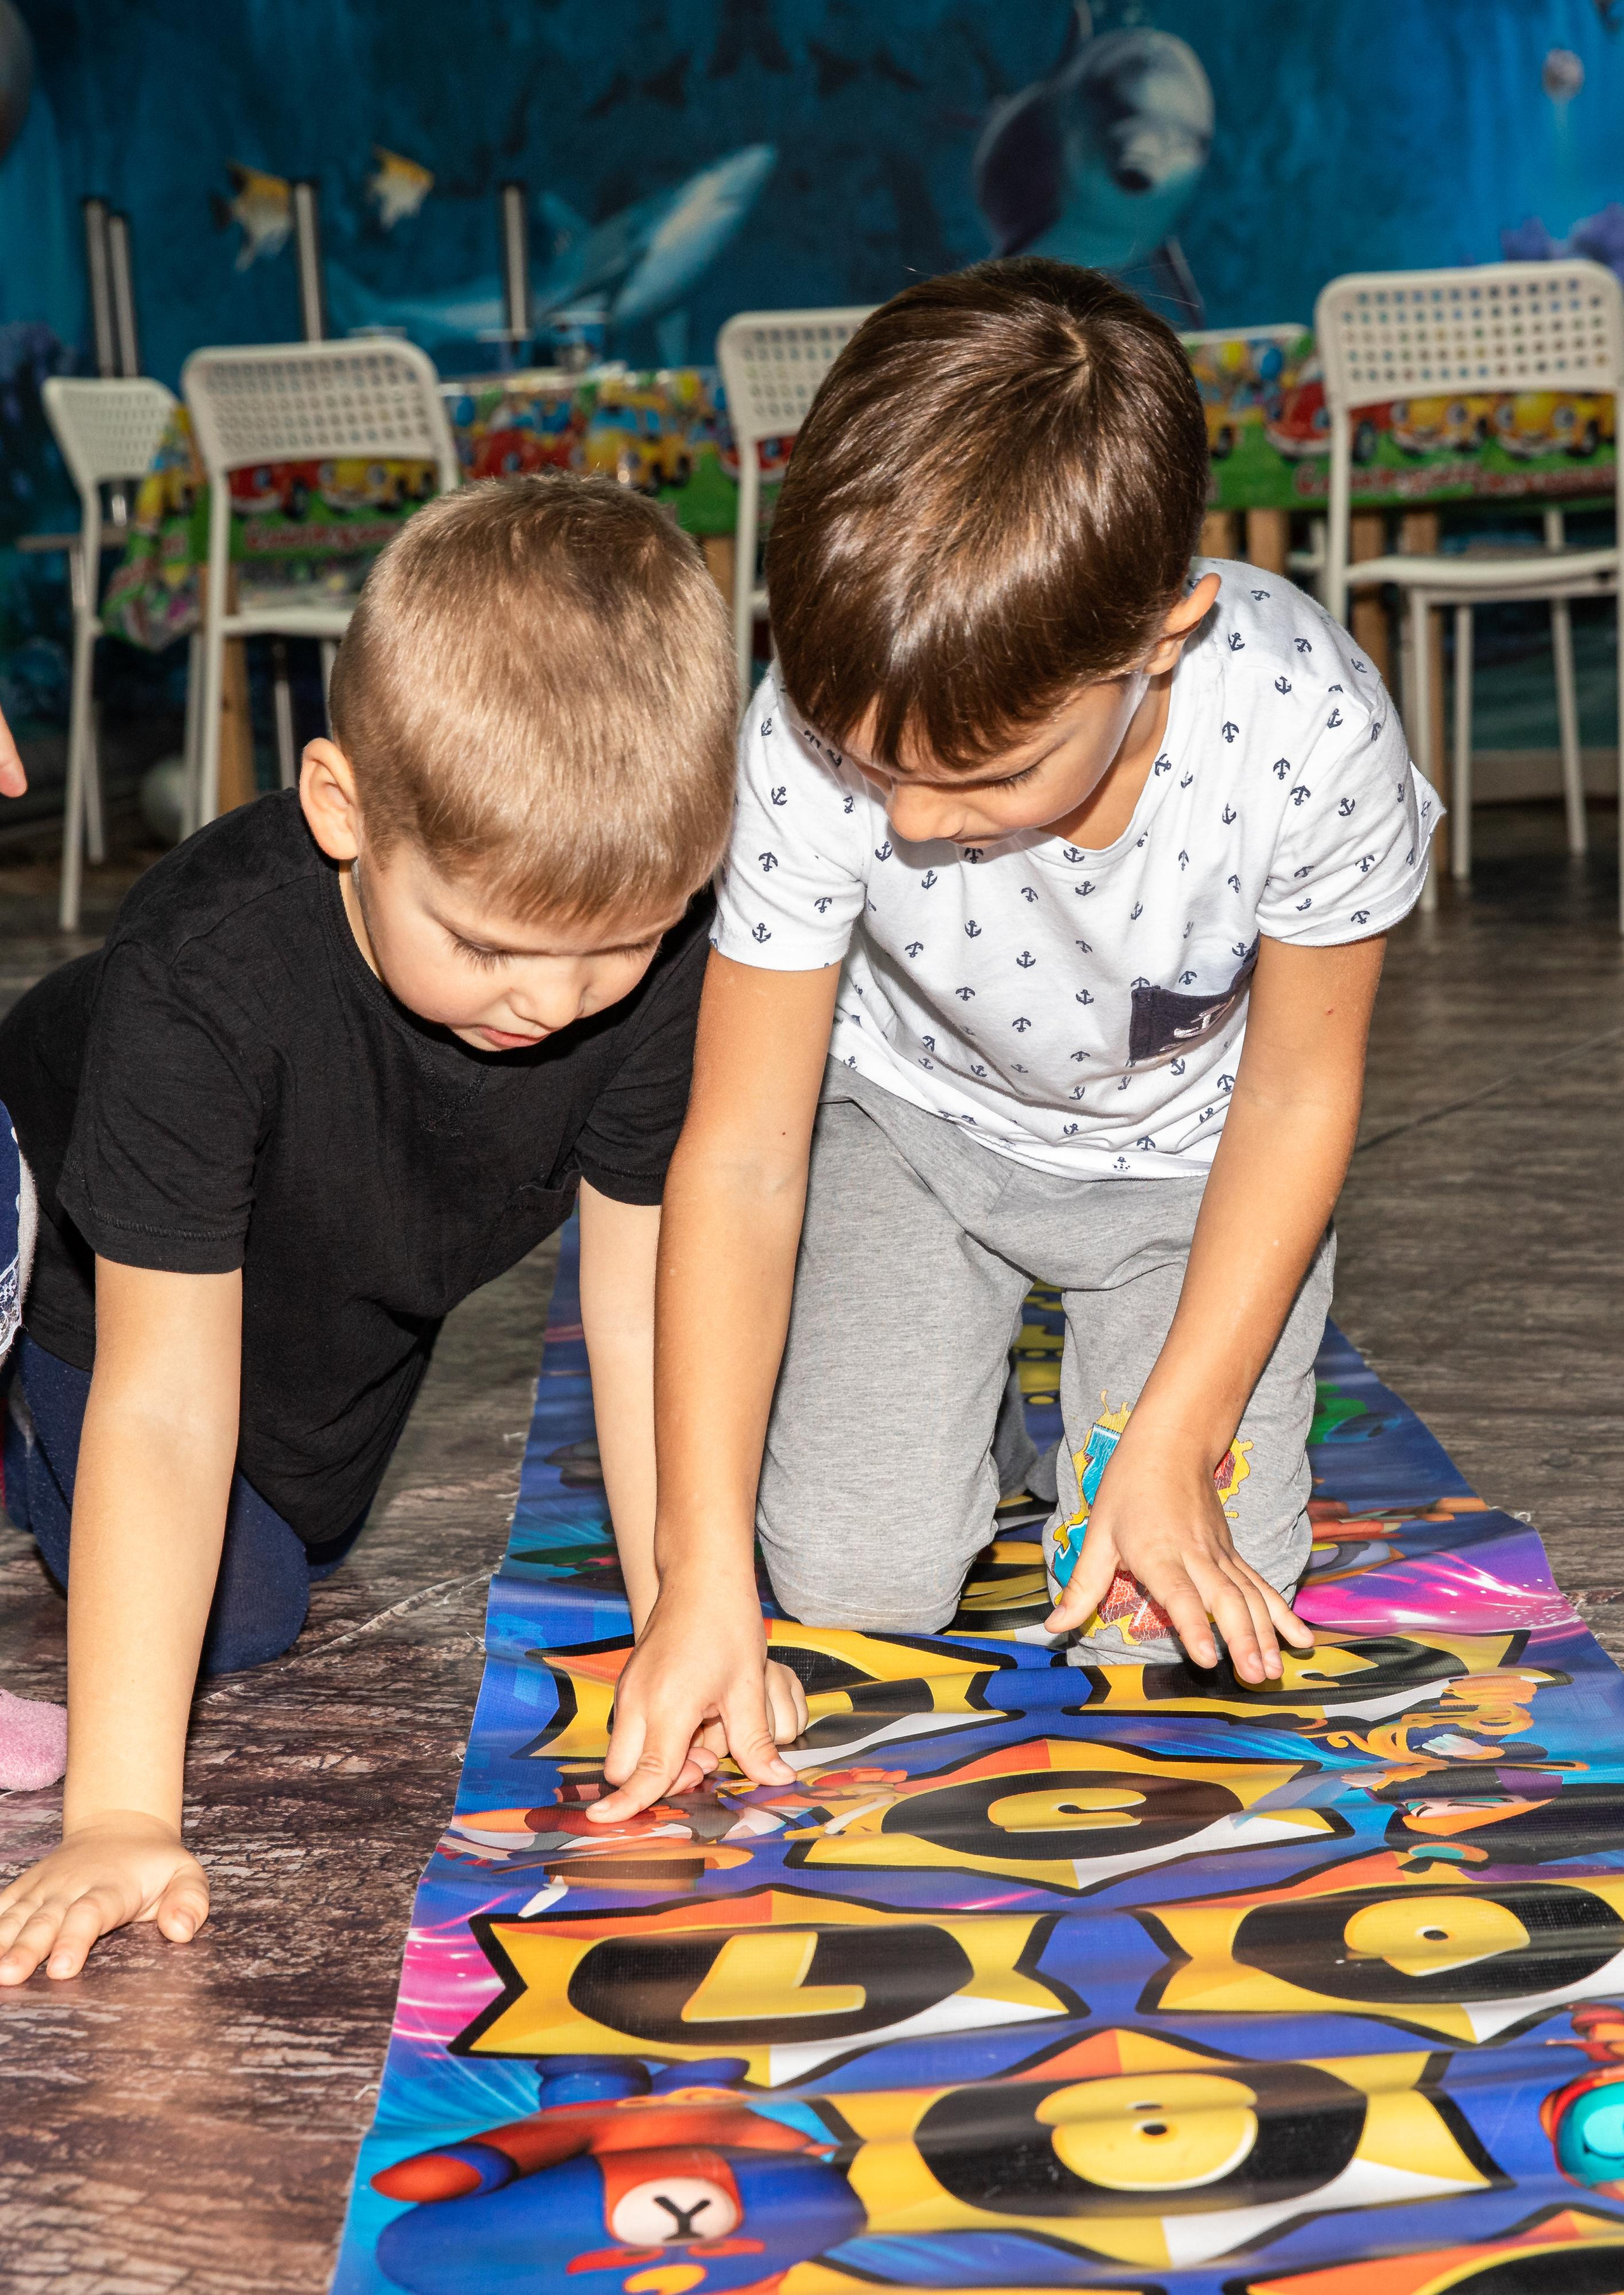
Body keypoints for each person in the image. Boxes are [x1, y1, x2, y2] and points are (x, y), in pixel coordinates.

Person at [592, 259, 1441, 1824]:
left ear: (1160, 640)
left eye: (984, 773)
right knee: (850, 1587)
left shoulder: (1308, 729)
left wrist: (1173, 1436)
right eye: (869, 765)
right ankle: (961, 1403)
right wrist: (694, 1573)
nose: (910, 824)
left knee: (1176, 1610)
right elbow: (744, 1150)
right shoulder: (799, 731)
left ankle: (1106, 1406)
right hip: (913, 1139)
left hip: (1192, 1172)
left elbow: (1297, 1091)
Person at [0, 474, 806, 1984]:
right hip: (72, 1267)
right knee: (217, 1609)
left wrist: (681, 1615)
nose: (556, 1004)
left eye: (617, 950)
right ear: (341, 811)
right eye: (493, 946)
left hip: (341, 1273)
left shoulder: (648, 953)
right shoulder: (207, 974)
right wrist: (119, 1811)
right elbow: (169, 1396)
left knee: (282, 1556)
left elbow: (638, 1317)